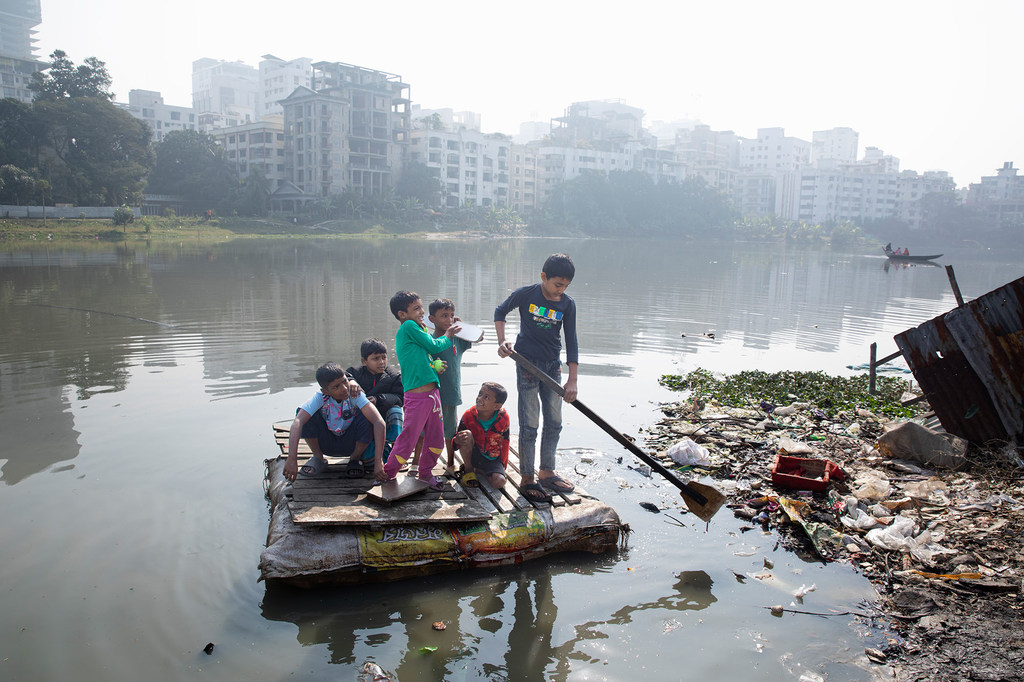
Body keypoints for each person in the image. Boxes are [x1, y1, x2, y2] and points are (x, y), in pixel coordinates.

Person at [494, 253, 578, 503]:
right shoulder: (526, 294)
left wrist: (572, 380)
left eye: (565, 286)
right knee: (530, 423)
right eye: (557, 285)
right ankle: (528, 477)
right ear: (543, 277)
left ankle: (547, 471)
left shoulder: (567, 304)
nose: (559, 291)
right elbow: (500, 312)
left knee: (554, 421)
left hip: (552, 366)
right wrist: (502, 341)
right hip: (526, 363)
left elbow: (572, 341)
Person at [381, 290, 461, 490]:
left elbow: (423, 355)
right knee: (408, 438)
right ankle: (388, 474)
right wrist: (448, 334)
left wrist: (434, 366)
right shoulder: (408, 326)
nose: (421, 312)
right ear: (402, 314)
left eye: (421, 307)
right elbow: (433, 346)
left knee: (436, 439)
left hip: (433, 395)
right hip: (417, 397)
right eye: (416, 308)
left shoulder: (417, 329)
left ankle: (426, 474)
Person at [284, 362, 386, 483]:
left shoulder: (355, 394)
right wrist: (291, 458)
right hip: (327, 443)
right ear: (325, 391)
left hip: (351, 444)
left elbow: (379, 422)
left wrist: (379, 461)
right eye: (336, 387)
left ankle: (354, 460)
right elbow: (298, 422)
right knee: (303, 414)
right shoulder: (320, 397)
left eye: (344, 381)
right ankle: (318, 458)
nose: (344, 388)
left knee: (367, 417)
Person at [428, 297, 480, 471]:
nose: (449, 320)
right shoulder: (429, 340)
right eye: (444, 316)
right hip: (431, 393)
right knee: (424, 429)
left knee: (450, 431)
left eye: (451, 315)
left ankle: (450, 462)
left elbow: (479, 337)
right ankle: (418, 462)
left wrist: (463, 327)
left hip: (451, 393)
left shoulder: (457, 339)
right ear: (431, 319)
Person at [346, 338, 404, 476]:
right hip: (365, 421)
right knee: (369, 463)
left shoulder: (394, 375)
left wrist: (379, 399)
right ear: (364, 361)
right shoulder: (355, 372)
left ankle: (394, 446)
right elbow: (343, 376)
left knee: (396, 411)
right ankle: (380, 450)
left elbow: (401, 398)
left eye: (384, 357)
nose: (381, 362)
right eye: (375, 358)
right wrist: (351, 381)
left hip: (384, 416)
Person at [454, 382, 511, 489]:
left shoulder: (503, 418)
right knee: (466, 434)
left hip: (492, 458)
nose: (480, 398)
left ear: (497, 406)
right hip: (473, 455)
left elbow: (505, 442)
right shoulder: (469, 415)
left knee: (499, 482)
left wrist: (502, 467)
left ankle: (480, 471)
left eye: (486, 397)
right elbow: (455, 444)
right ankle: (469, 470)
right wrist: (456, 440)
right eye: (480, 394)